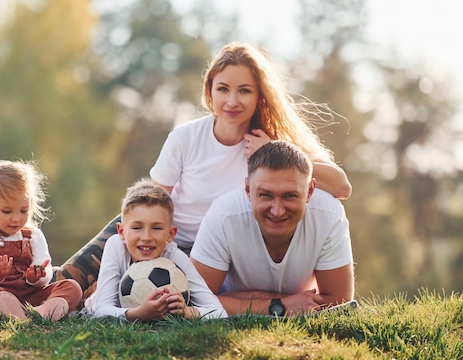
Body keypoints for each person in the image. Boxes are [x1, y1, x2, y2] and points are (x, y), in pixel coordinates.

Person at [52, 41, 352, 294]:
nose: (232, 101)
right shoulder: (186, 137)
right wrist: (143, 243)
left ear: (260, 96)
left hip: (220, 252)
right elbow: (151, 202)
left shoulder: (273, 149)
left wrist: (268, 150)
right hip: (170, 239)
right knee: (122, 226)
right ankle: (49, 289)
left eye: (244, 91)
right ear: (210, 93)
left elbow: (341, 187)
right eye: (223, 89)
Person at [190, 141, 355, 316]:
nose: (277, 211)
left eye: (290, 196)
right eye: (266, 195)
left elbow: (340, 304)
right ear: (248, 190)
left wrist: (234, 300)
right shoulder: (223, 214)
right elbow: (198, 299)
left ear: (310, 191)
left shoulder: (328, 213)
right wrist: (279, 305)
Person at [84, 178, 227, 321]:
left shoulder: (174, 256)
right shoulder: (116, 246)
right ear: (121, 231)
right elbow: (101, 311)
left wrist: (187, 311)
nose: (146, 237)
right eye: (137, 227)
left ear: (171, 234)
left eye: (156, 228)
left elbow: (219, 312)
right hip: (96, 303)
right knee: (78, 293)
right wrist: (137, 314)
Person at [0, 160, 82, 321]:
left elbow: (46, 269)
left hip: (30, 297)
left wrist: (36, 277)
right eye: (7, 211)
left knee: (72, 287)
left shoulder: (33, 235)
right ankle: (16, 313)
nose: (16, 218)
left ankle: (39, 313)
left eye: (24, 210)